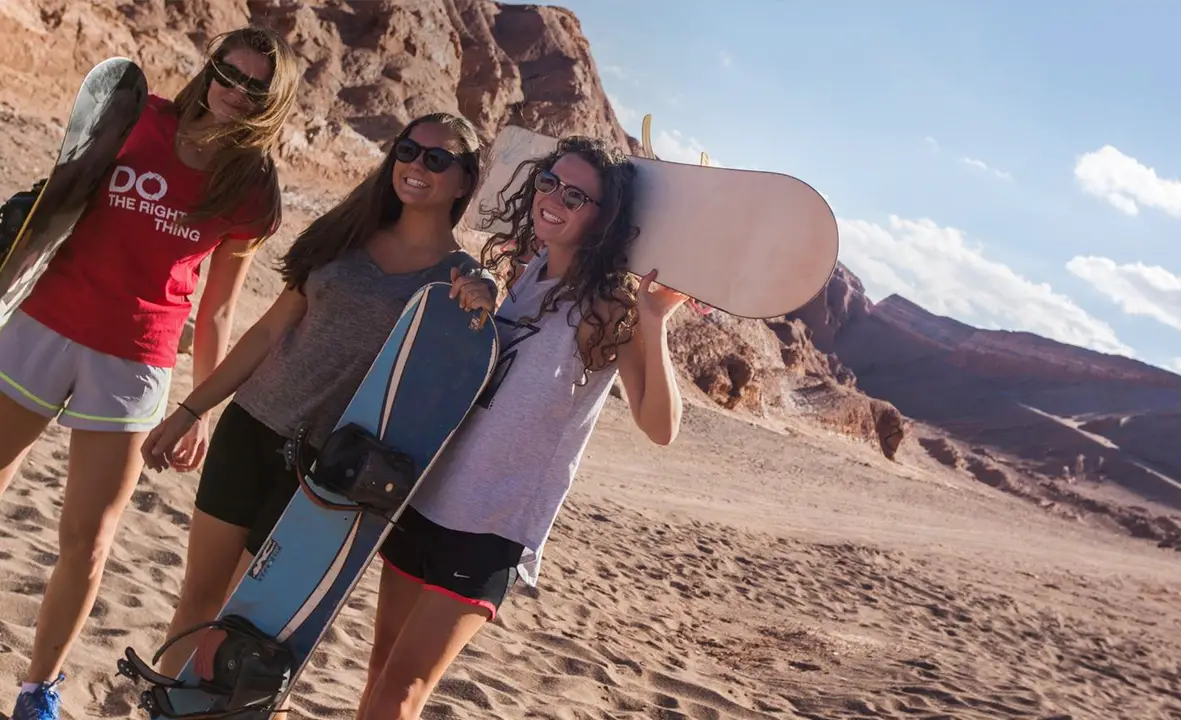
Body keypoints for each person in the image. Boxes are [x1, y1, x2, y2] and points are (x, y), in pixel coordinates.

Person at [0, 26, 301, 720]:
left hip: (134, 361)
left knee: (90, 540)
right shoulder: (138, 117)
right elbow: (55, 205)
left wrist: (199, 407)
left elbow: (219, 307)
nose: (234, 90)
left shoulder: (252, 190)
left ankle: (37, 688)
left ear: (272, 99)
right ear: (211, 66)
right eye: (228, 72)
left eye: (255, 85)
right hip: (45, 325)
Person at [137, 111, 493, 689]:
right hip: (249, 428)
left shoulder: (460, 281)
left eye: (437, 159)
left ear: (464, 181)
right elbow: (267, 331)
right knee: (196, 600)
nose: (416, 166)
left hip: (323, 471)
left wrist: (482, 305)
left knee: (246, 628)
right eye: (407, 150)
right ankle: (161, 704)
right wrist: (189, 409)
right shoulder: (345, 234)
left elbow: (456, 380)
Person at [354, 135, 689, 720]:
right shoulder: (526, 274)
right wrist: (480, 307)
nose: (554, 198)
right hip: (428, 496)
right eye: (549, 182)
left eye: (577, 195)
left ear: (604, 218)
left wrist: (655, 320)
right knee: (380, 676)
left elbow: (660, 426)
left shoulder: (610, 308)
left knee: (400, 695)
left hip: (490, 525)